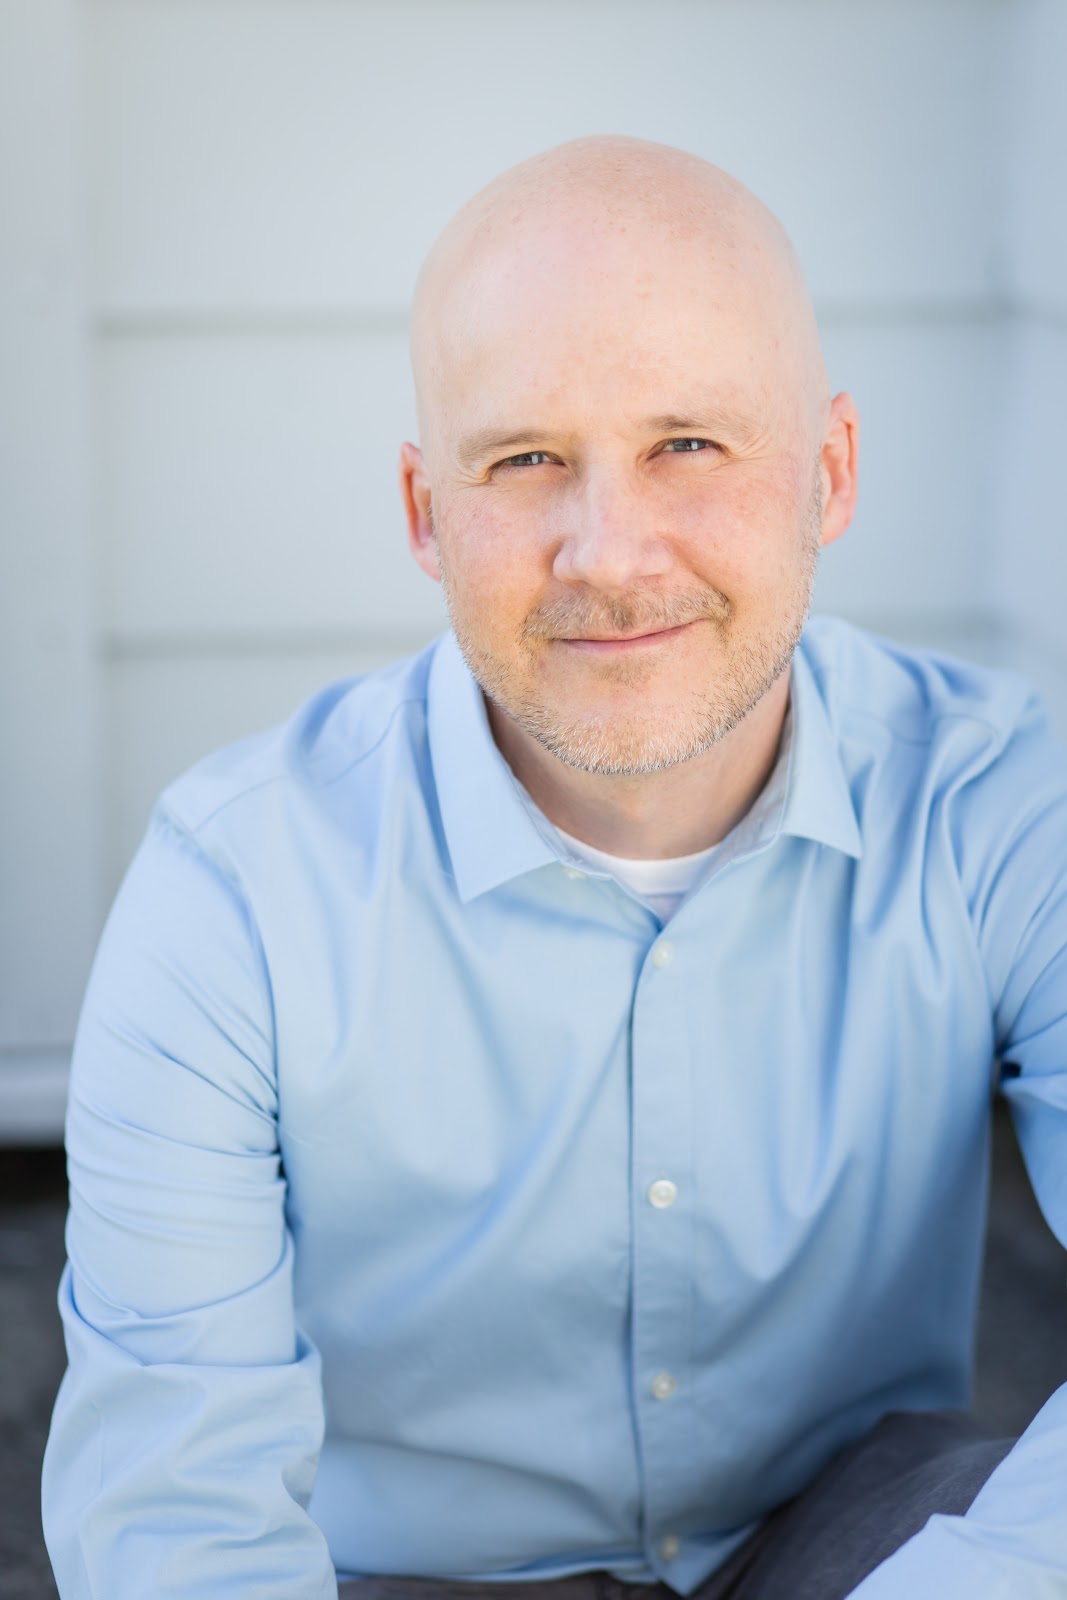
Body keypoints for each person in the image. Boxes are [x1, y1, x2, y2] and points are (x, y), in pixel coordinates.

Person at [42, 136, 1067, 1599]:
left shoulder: (996, 809)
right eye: (526, 459)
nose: (612, 550)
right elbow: (174, 1519)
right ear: (424, 514)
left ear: (828, 474)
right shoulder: (234, 897)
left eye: (688, 445)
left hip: (852, 1546)